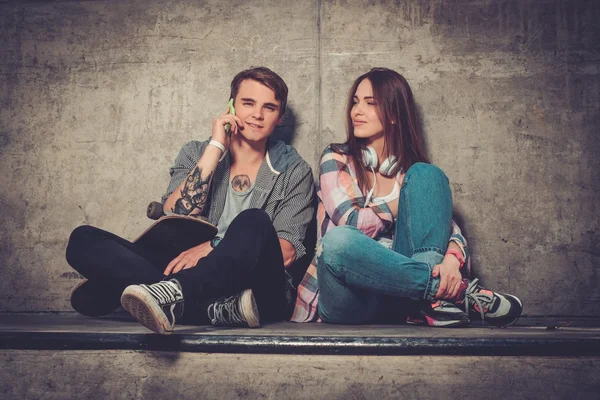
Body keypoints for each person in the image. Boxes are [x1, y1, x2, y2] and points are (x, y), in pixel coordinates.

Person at [66, 67, 315, 334]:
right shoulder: (197, 152)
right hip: (191, 268)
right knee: (83, 240)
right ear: (230, 105)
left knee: (253, 219)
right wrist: (216, 147)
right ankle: (209, 310)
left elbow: (286, 252)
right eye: (248, 103)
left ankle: (168, 292)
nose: (257, 114)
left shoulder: (294, 170)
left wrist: (215, 245)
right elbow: (175, 212)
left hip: (256, 284)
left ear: (280, 117)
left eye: (269, 107)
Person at [291, 67, 522, 327]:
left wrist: (450, 263)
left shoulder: (413, 177)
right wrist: (403, 202)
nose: (356, 110)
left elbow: (449, 231)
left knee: (428, 174)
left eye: (370, 103)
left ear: (393, 115)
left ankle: (426, 303)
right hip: (349, 300)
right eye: (356, 102)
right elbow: (352, 222)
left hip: (400, 298)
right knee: (336, 242)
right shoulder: (337, 158)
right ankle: (448, 293)